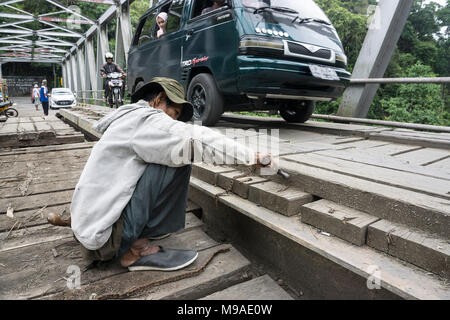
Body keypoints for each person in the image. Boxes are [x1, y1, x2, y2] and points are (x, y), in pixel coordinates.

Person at [47, 77, 275, 272]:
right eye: (174, 112)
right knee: (179, 155)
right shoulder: (147, 120)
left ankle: (131, 238)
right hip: (104, 240)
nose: (173, 120)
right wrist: (251, 156)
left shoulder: (126, 119)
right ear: (158, 99)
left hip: (90, 228)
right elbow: (197, 139)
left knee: (170, 153)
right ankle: (137, 250)